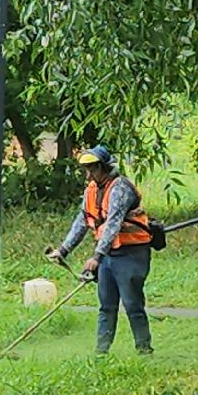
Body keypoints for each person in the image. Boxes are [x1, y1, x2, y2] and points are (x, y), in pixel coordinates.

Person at [45, 146, 154, 355]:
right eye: (86, 169)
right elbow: (83, 221)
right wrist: (63, 250)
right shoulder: (91, 189)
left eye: (92, 169)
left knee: (132, 304)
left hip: (131, 253)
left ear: (104, 167)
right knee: (106, 306)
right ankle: (101, 352)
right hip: (109, 255)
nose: (88, 175)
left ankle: (144, 349)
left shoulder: (120, 188)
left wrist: (96, 257)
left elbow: (113, 223)